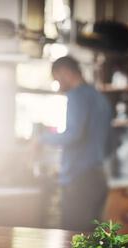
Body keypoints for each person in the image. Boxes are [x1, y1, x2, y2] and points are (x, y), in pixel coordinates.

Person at [38, 56, 112, 231]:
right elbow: (110, 144)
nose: (58, 85)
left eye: (57, 79)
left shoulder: (77, 96)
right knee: (93, 241)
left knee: (72, 239)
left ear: (65, 72)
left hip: (79, 179)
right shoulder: (100, 98)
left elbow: (73, 135)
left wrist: (42, 139)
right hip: (98, 177)